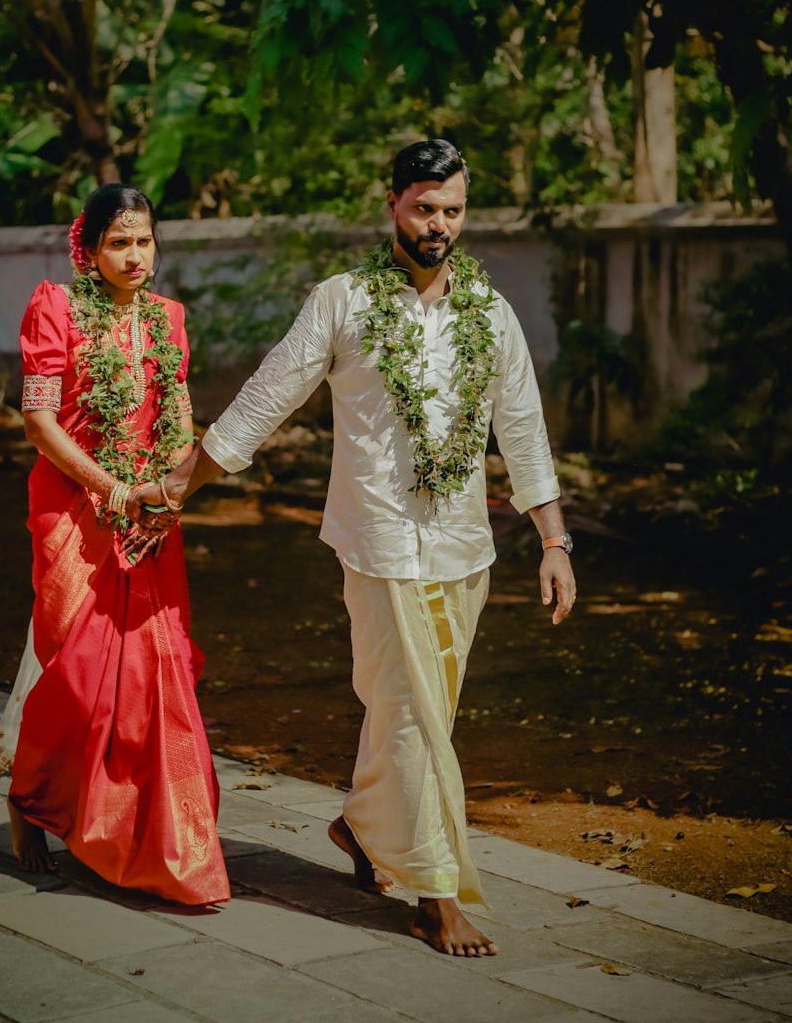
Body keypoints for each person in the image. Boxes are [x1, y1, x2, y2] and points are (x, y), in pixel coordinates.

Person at [136, 139, 576, 957]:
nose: (438, 224)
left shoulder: (492, 312)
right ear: (393, 206)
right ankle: (437, 892)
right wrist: (181, 485)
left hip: (465, 550)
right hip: (375, 542)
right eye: (424, 207)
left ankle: (359, 828)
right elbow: (271, 392)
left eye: (451, 210)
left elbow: (522, 428)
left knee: (414, 713)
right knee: (413, 713)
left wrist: (554, 540)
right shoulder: (342, 301)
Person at [0, 184, 229, 908]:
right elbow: (38, 421)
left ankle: (150, 836)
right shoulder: (53, 308)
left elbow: (179, 414)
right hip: (72, 507)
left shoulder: (169, 319)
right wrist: (109, 489)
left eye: (144, 241)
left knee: (157, 673)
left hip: (150, 514)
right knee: (79, 673)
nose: (134, 256)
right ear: (87, 250)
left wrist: (166, 494)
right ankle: (31, 802)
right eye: (118, 243)